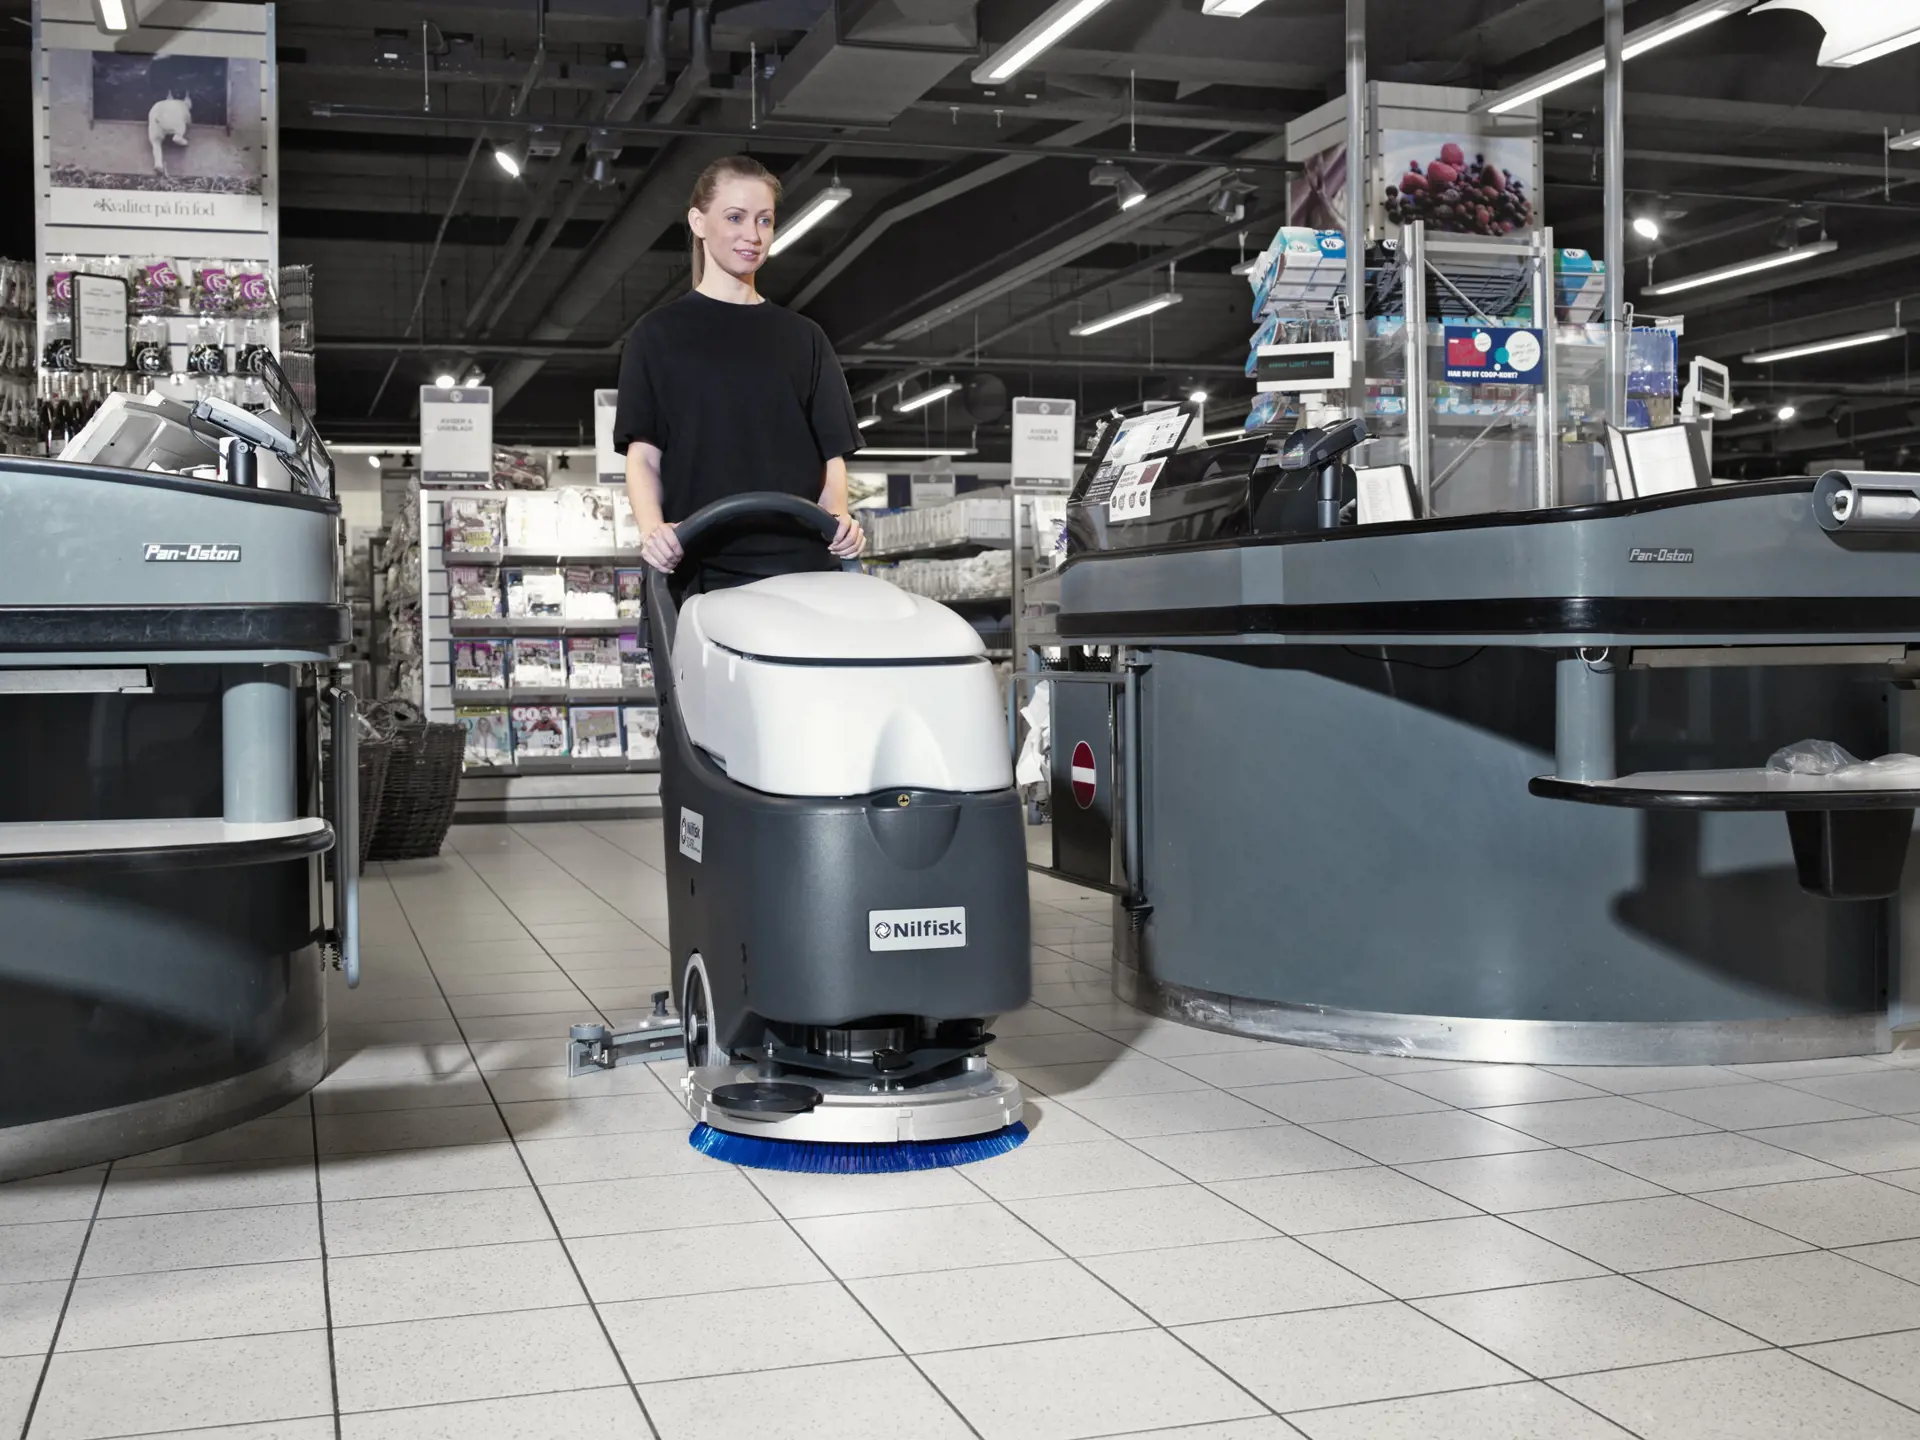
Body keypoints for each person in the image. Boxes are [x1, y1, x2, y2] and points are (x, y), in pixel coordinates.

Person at [615, 155, 865, 593]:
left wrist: (839, 518)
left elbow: (831, 456)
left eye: (764, 220)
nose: (753, 234)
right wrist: (653, 531)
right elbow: (644, 455)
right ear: (698, 222)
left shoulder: (805, 338)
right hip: (700, 568)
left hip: (802, 568)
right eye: (735, 217)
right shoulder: (657, 335)